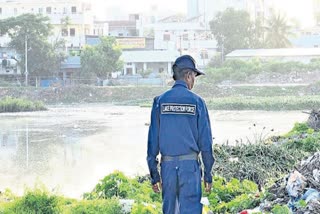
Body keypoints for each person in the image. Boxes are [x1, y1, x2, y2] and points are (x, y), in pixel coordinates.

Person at [147, 55, 215, 214]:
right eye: (194, 76)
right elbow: (206, 143)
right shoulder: (197, 102)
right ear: (189, 75)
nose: (194, 81)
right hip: (189, 168)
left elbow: (152, 142)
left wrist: (154, 175)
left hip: (168, 168)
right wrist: (208, 173)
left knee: (170, 210)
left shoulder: (160, 101)